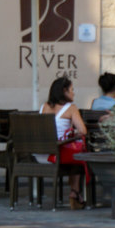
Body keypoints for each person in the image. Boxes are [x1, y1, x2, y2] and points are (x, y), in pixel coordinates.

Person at [39, 75, 89, 209]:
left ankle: (74, 192)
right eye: (72, 90)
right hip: (56, 155)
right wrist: (74, 132)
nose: (74, 93)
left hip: (40, 155)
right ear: (64, 91)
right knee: (79, 155)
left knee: (74, 155)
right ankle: (75, 192)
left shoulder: (43, 107)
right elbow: (83, 131)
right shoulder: (71, 108)